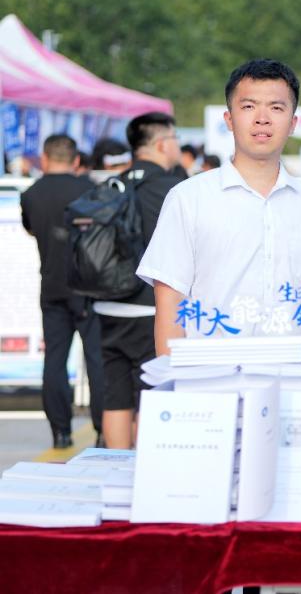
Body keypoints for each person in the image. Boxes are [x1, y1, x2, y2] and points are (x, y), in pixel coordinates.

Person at [138, 59, 301, 356]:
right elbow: (169, 306)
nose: (262, 119)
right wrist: (172, 376)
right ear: (229, 119)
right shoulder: (188, 199)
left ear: (293, 123)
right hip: (212, 376)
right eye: (249, 106)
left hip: (296, 376)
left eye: (276, 107)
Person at [93, 112, 184, 449]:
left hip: (106, 305)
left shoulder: (111, 185)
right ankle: (144, 465)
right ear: (161, 144)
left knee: (115, 394)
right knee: (151, 391)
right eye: (174, 138)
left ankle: (116, 465)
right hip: (151, 308)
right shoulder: (173, 189)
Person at [20, 134, 105, 448]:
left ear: (44, 158)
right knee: (96, 358)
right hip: (88, 286)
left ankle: (60, 431)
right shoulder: (89, 190)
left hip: (52, 286)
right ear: (76, 160)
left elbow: (31, 229)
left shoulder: (31, 194)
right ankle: (103, 430)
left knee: (55, 360)